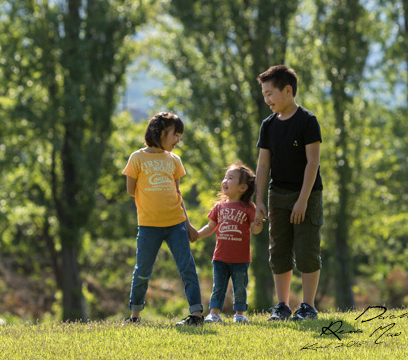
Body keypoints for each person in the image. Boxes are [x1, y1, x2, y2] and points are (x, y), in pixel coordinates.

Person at [255, 65, 324, 321]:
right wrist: (259, 200)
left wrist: (303, 200)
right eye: (264, 94)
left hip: (307, 195)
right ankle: (282, 306)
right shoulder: (268, 125)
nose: (267, 99)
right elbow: (263, 165)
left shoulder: (307, 121)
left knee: (307, 249)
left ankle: (308, 306)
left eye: (270, 93)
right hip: (278, 195)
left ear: (288, 90)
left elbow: (312, 163)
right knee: (279, 250)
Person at [122, 112, 204, 326]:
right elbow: (131, 190)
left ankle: (196, 315)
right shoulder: (137, 158)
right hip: (149, 226)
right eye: (174, 135)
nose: (178, 140)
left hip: (176, 224)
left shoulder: (174, 160)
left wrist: (188, 224)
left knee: (187, 267)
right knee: (142, 271)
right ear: (159, 132)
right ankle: (135, 316)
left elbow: (178, 194)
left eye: (179, 135)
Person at [196, 163, 264, 324]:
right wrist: (197, 235)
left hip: (241, 259)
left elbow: (255, 229)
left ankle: (239, 314)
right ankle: (214, 314)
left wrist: (258, 223)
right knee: (218, 287)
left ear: (242, 188)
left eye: (230, 178)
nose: (225, 181)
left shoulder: (248, 207)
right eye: (225, 177)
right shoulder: (219, 207)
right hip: (220, 257)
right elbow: (210, 227)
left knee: (240, 287)